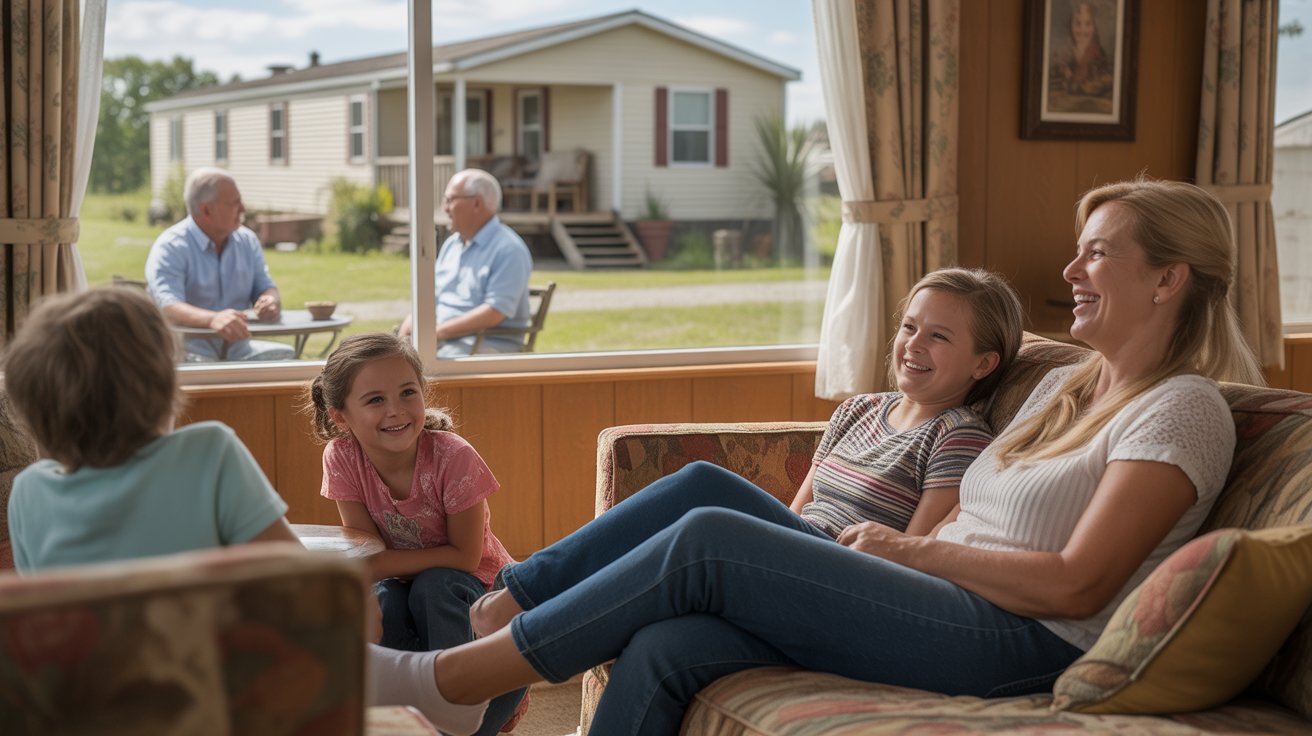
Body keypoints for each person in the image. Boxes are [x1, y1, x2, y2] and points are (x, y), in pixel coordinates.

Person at [333, 178, 1261, 736]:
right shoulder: (1069, 387)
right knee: (668, 643)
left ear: (1167, 279)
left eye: (1097, 254)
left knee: (709, 536)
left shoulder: (1184, 410)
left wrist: (907, 549)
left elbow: (1073, 587)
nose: (1070, 272)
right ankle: (508, 608)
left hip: (1015, 640)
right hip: (941, 598)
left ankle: (453, 682)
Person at [3, 287, 492, 736]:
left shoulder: (26, 493)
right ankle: (461, 679)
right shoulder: (205, 452)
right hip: (227, 704)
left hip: (96, 714)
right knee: (368, 633)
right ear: (161, 385)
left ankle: (448, 678)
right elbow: (308, 596)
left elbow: (51, 628)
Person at [307, 333, 528, 735]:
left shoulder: (453, 455)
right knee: (384, 600)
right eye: (375, 400)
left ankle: (464, 703)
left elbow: (464, 557)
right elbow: (364, 555)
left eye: (408, 393)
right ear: (341, 416)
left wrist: (380, 564)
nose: (396, 411)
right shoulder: (341, 456)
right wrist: (376, 568)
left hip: (481, 593)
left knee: (436, 585)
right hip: (404, 589)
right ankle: (404, 721)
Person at [145, 167, 293, 362]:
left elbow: (265, 286)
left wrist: (270, 300)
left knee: (288, 362)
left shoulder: (247, 241)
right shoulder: (171, 247)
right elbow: (168, 306)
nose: (243, 209)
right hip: (186, 354)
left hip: (240, 350)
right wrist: (212, 319)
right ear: (207, 210)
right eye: (235, 203)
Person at [398, 169, 532, 358]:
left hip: (485, 343)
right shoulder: (452, 245)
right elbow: (431, 296)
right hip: (445, 341)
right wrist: (407, 329)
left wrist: (437, 333)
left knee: (420, 367)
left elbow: (495, 312)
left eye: (450, 200)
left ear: (476, 203)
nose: (445, 208)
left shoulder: (509, 249)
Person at [1051, 1, 1114, 98]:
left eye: (1088, 24)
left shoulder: (1098, 53)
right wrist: (1064, 70)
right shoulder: (1067, 51)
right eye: (1077, 23)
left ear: (1094, 28)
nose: (1082, 30)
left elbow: (1102, 79)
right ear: (1070, 26)